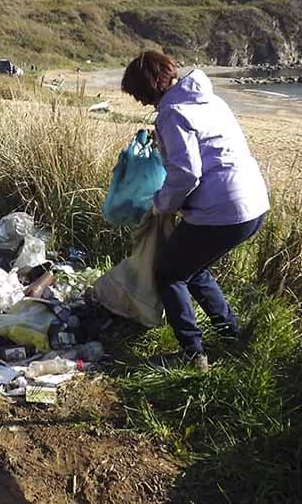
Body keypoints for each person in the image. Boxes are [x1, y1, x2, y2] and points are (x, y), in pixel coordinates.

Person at [120, 50, 269, 371]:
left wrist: (160, 206)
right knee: (194, 269)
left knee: (169, 273)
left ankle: (193, 354)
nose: (144, 104)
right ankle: (231, 336)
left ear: (149, 87)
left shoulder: (172, 113)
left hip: (223, 210)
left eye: (141, 97)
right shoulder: (210, 100)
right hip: (254, 204)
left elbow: (187, 174)